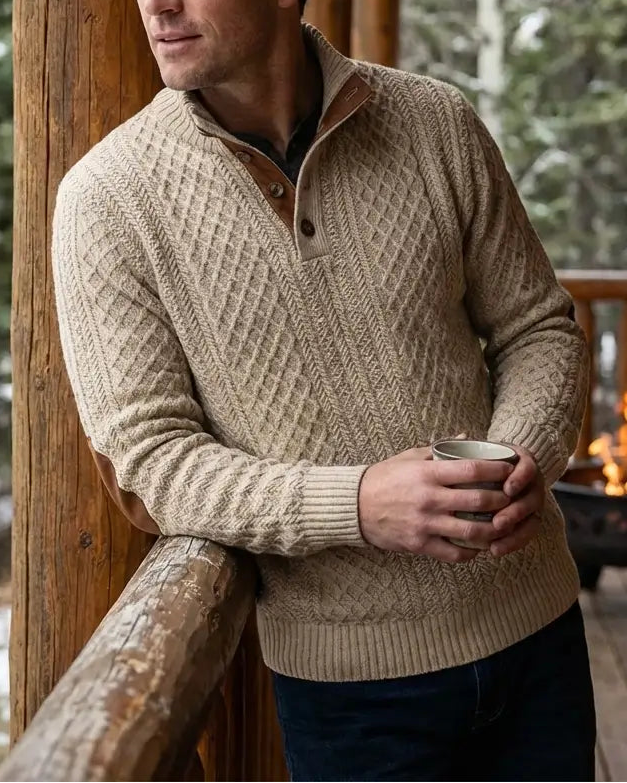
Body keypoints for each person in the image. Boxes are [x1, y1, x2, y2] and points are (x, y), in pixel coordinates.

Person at [51, 0, 594, 780]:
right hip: (352, 698)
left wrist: (521, 457)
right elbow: (152, 463)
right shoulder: (104, 199)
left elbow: (536, 325)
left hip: (538, 630)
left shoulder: (435, 120)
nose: (156, 4)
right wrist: (359, 501)